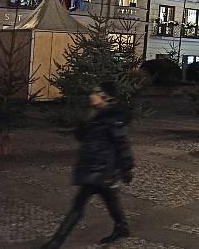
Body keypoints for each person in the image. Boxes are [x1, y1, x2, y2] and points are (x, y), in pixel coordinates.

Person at [41, 81, 134, 249]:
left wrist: (127, 167)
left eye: (96, 93)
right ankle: (122, 227)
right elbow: (84, 138)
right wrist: (83, 126)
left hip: (102, 169)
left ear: (105, 97)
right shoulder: (97, 115)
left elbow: (122, 144)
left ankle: (56, 242)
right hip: (94, 167)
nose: (91, 96)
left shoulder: (112, 120)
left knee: (78, 207)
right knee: (110, 200)